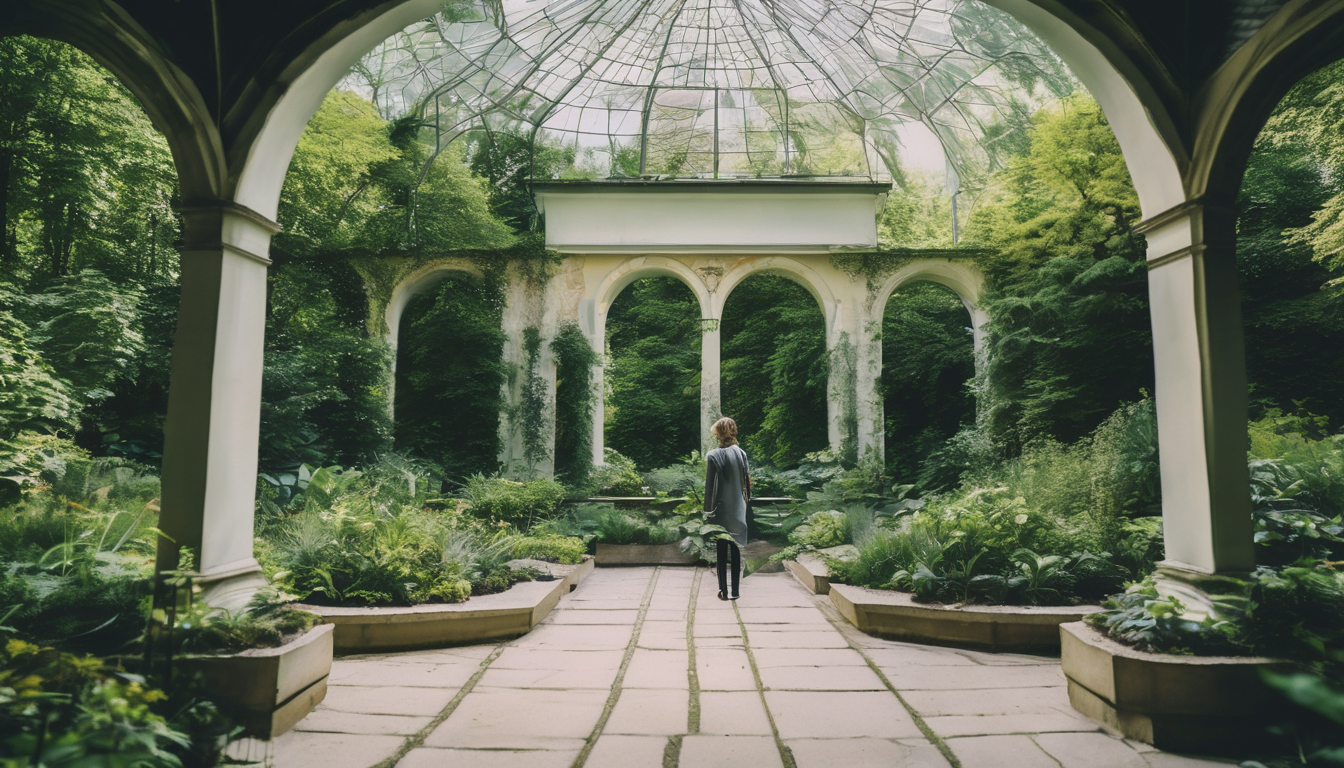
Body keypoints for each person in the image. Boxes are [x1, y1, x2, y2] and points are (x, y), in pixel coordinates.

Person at [704, 417, 750, 601]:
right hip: (739, 508)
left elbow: (709, 487)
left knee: (722, 551)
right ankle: (736, 591)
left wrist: (708, 511)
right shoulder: (741, 453)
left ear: (718, 434)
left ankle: (723, 590)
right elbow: (747, 483)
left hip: (721, 509)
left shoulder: (713, 455)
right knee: (736, 548)